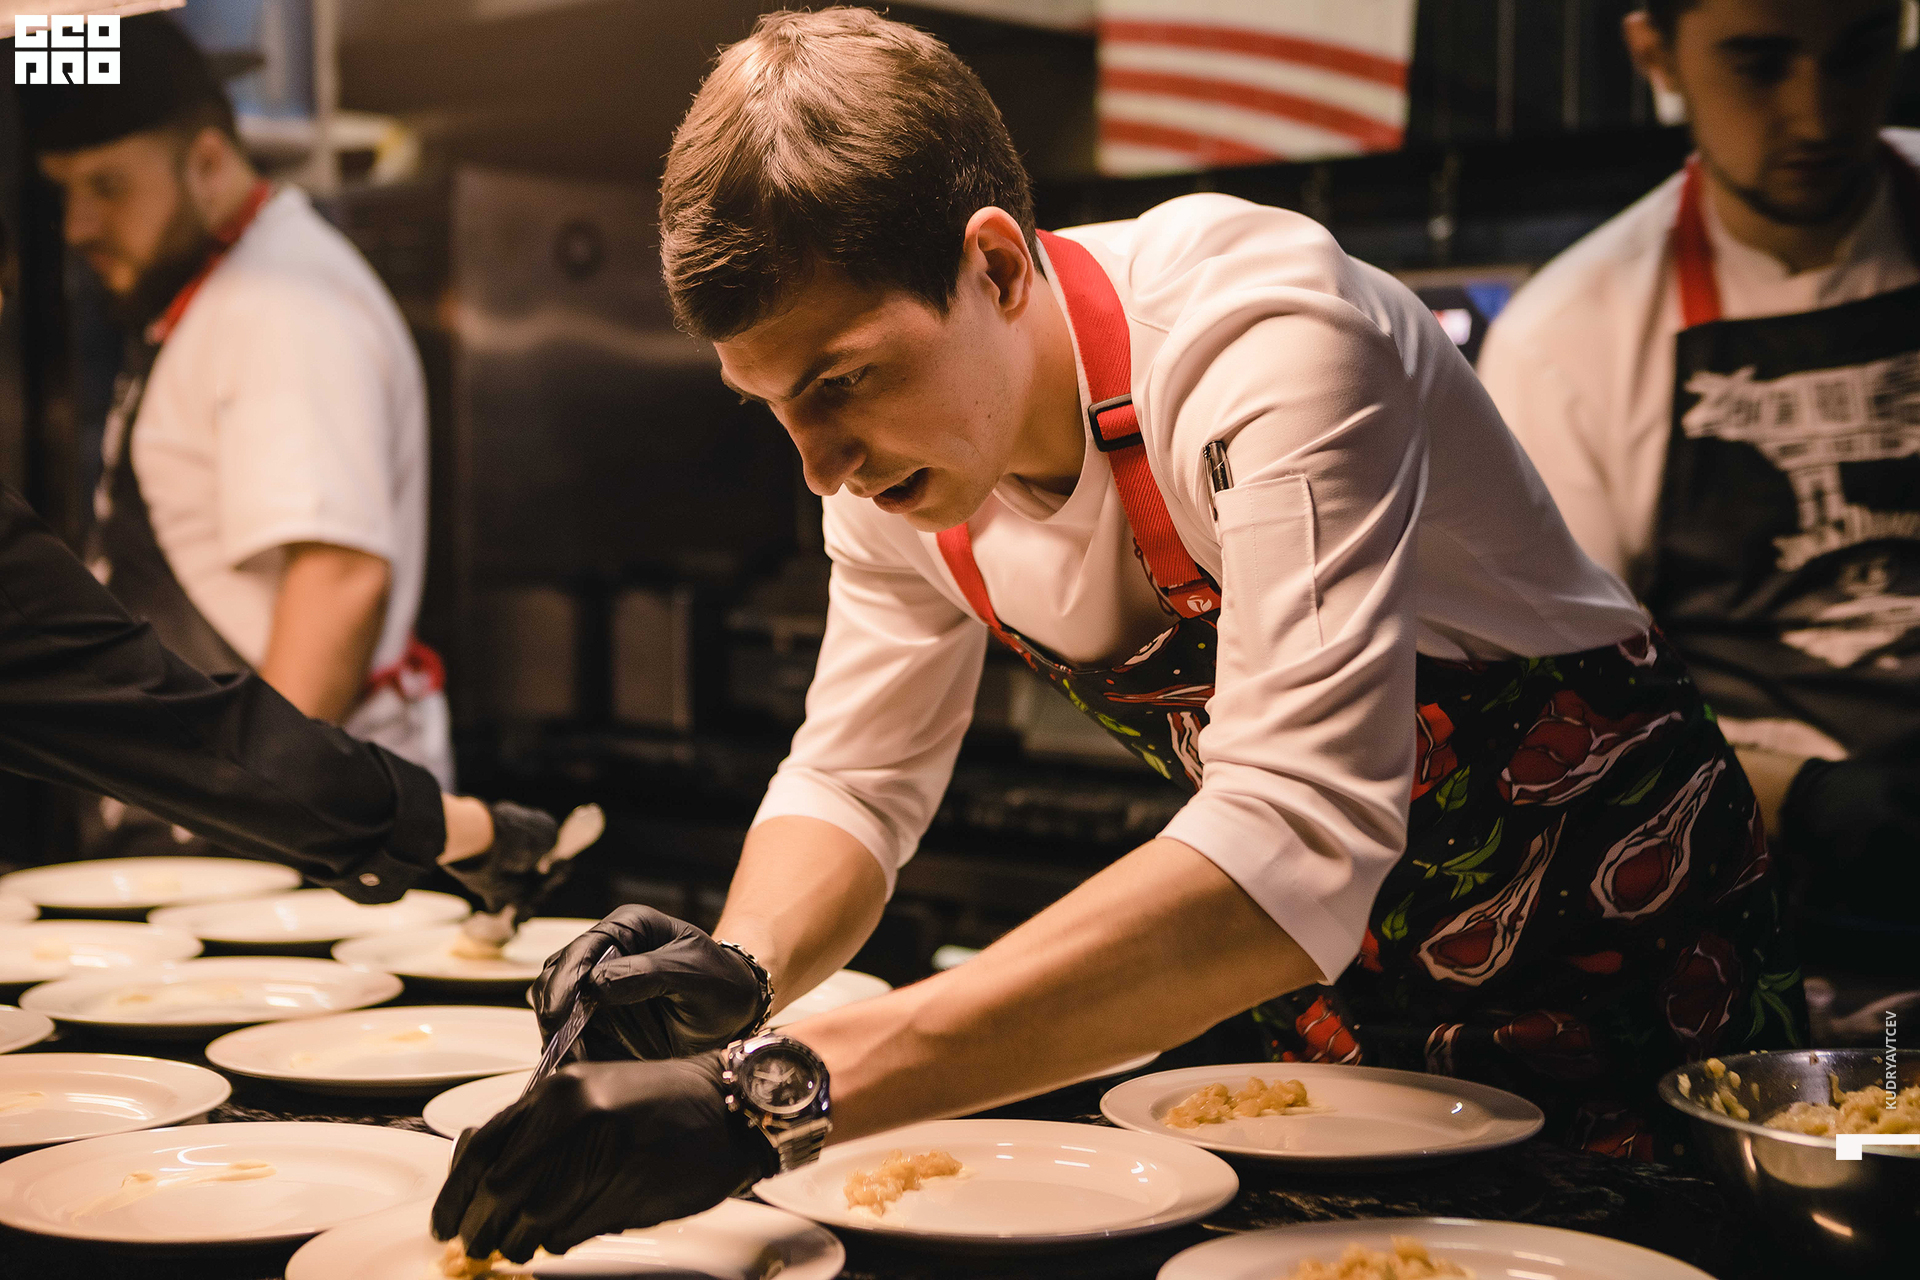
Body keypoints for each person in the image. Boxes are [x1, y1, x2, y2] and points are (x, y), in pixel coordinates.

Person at [434, 10, 1804, 1261]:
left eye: (845, 379)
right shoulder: (900, 471)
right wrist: (741, 975)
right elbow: (856, 777)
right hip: (1332, 997)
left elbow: (1296, 827)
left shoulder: (1263, 339)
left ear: (994, 262)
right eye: (774, 404)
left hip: (1626, 958)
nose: (820, 466)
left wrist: (771, 1095)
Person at [1476, 0, 1920, 950]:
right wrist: (1811, 799)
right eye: (1759, 65)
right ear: (1657, 55)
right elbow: (1560, 718)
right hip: (1772, 897)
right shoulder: (1569, 339)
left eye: (1858, 52)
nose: (1818, 115)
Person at [21, 15, 452, 864]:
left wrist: (248, 836)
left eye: (108, 186)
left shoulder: (278, 308)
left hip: (282, 857)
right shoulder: (222, 290)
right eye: (65, 191)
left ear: (209, 163)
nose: (77, 226)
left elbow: (338, 582)